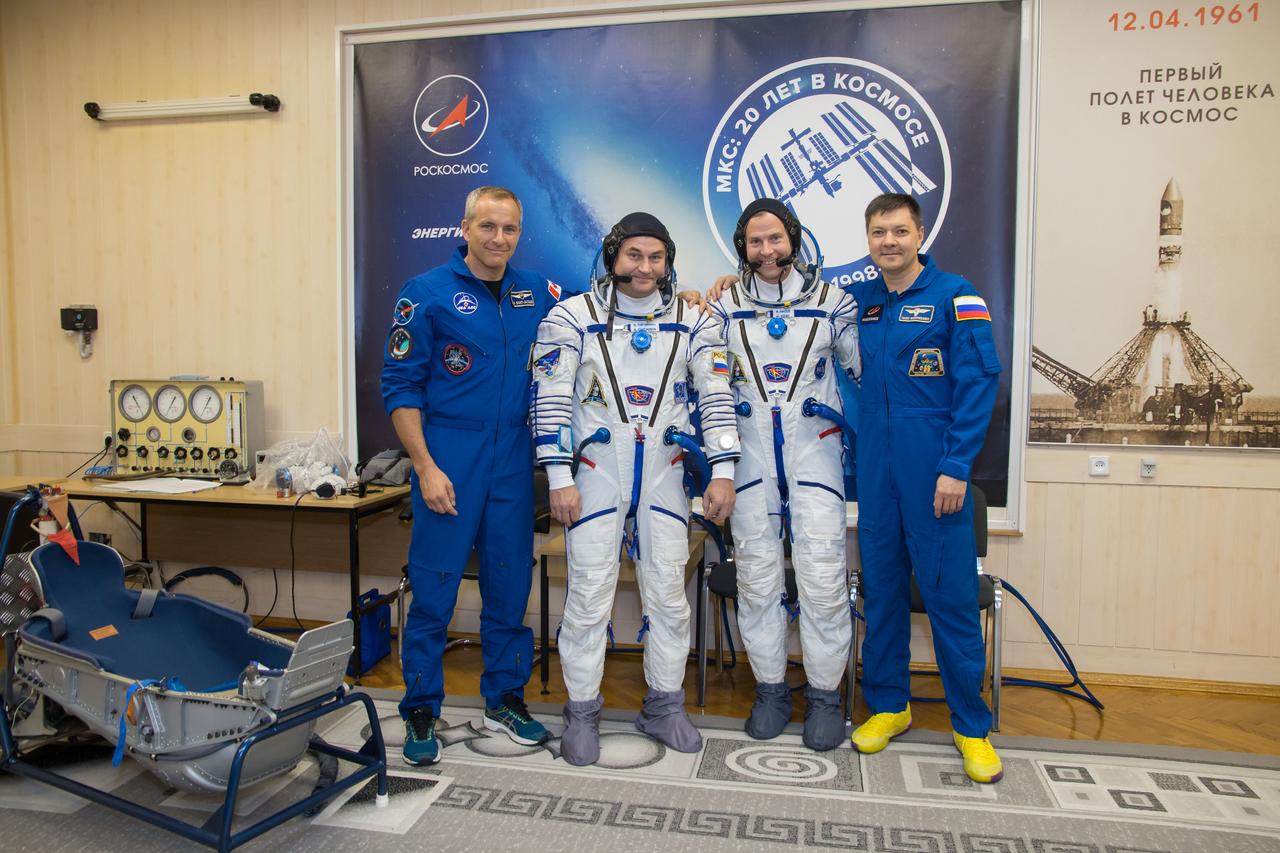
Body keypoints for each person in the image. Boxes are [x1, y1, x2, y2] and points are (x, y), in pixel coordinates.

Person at [530, 212, 740, 766]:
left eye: (656, 257)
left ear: (668, 262)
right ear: (611, 256)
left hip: (665, 472)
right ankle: (582, 711)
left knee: (668, 593)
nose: (645, 268)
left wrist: (722, 471)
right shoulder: (571, 318)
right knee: (589, 592)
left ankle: (664, 704)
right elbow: (550, 402)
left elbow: (717, 397)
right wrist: (558, 477)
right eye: (634, 256)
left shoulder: (695, 322)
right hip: (596, 471)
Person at [381, 186, 561, 765]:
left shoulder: (539, 291)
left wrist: (687, 289)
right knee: (434, 590)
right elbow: (400, 389)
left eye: (509, 229)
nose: (498, 239)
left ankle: (504, 699)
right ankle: (420, 706)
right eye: (488, 226)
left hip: (513, 458)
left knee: (509, 587)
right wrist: (426, 467)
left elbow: (607, 304)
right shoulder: (425, 294)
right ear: (464, 227)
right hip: (448, 457)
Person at [849, 192, 1004, 783]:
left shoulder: (955, 295)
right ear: (867, 241)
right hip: (877, 470)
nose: (889, 241)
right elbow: (792, 298)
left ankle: (971, 727)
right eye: (878, 232)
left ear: (919, 234)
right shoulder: (858, 302)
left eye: (899, 231)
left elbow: (979, 381)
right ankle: (890, 706)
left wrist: (956, 465)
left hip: (935, 472)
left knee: (951, 601)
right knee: (883, 594)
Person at [706, 198, 861, 751]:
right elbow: (708, 382)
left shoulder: (834, 303)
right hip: (749, 461)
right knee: (756, 579)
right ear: (742, 247)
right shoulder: (722, 308)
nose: (766, 251)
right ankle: (770, 690)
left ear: (793, 238)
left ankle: (823, 696)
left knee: (821, 579)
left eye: (775, 239)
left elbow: (863, 366)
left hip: (814, 456)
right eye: (755, 242)